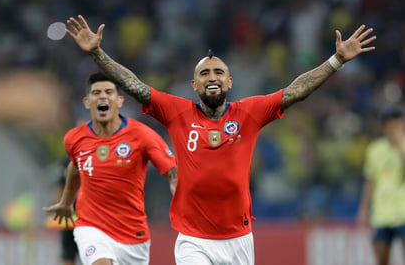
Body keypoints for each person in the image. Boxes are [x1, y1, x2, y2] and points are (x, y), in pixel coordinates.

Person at [65, 15, 376, 265]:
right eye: (204, 73)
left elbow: (296, 90)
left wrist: (336, 60)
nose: (211, 76)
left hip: (238, 239)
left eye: (218, 72)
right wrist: (96, 53)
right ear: (194, 84)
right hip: (193, 239)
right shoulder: (177, 112)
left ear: (229, 81)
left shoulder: (249, 113)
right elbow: (133, 85)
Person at [43, 72, 177, 265]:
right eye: (96, 93)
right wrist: (66, 202)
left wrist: (179, 194)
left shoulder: (143, 136)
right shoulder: (74, 138)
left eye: (108, 92)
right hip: (91, 227)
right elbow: (74, 166)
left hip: (133, 235)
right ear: (87, 102)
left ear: (120, 101)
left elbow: (172, 173)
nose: (102, 96)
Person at [357, 105, 405, 265]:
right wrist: (364, 210)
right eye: (390, 124)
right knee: (382, 260)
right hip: (382, 214)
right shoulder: (375, 149)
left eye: (397, 123)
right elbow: (370, 181)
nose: (394, 128)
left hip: (403, 212)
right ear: (383, 127)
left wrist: (399, 145)